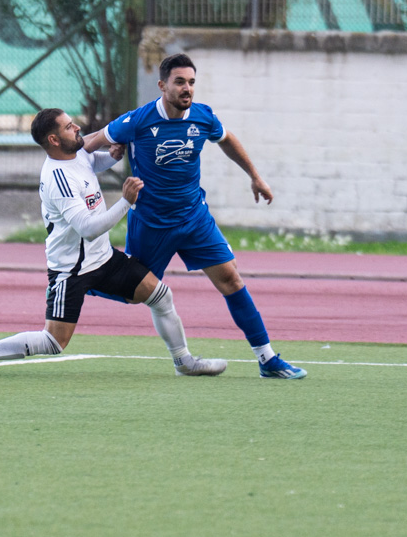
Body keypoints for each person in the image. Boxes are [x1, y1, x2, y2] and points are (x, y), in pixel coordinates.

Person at [0, 107, 226, 378]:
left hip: (104, 259)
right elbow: (88, 229)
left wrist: (111, 156)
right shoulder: (58, 179)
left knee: (160, 295)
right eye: (69, 126)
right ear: (54, 140)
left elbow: (91, 163)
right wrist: (126, 201)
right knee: (54, 342)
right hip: (72, 270)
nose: (77, 127)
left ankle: (184, 362)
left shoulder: (75, 154)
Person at [83, 53, 307, 379]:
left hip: (194, 219)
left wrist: (255, 177)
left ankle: (267, 359)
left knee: (231, 279)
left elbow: (227, 140)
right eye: (179, 82)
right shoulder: (137, 121)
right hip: (151, 224)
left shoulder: (203, 116)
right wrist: (65, 161)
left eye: (191, 82)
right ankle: (84, 282)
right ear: (162, 85)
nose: (187, 88)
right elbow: (89, 144)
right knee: (136, 294)